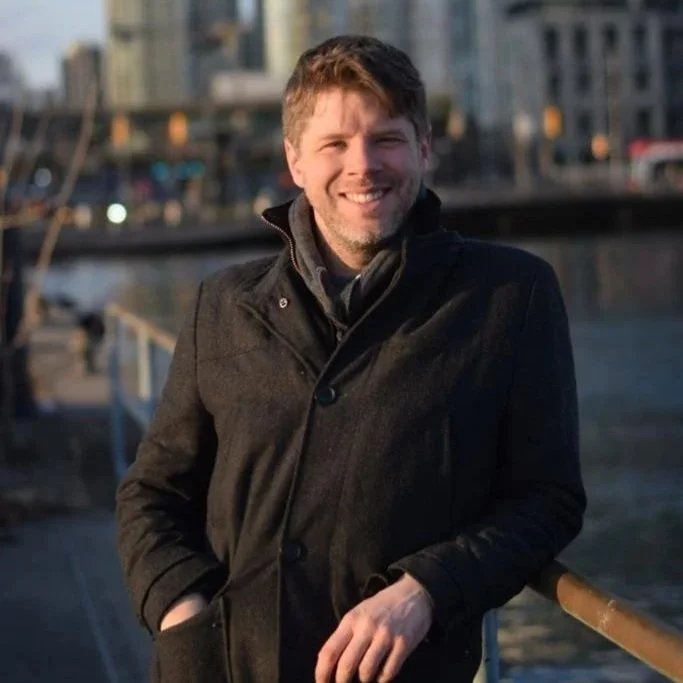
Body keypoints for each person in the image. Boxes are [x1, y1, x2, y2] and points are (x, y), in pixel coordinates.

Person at [116, 35, 586, 683]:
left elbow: (547, 500)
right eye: (334, 144)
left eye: (385, 139)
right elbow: (151, 491)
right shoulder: (221, 305)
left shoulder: (509, 297)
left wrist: (426, 589)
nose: (362, 164)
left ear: (424, 148)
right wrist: (180, 609)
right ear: (295, 160)